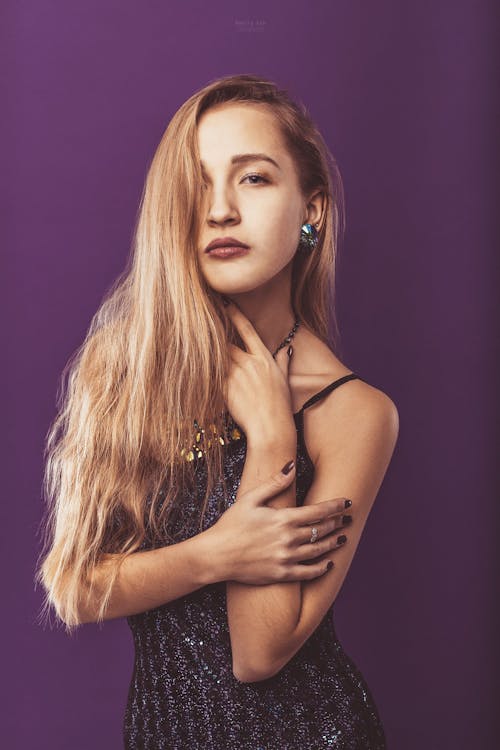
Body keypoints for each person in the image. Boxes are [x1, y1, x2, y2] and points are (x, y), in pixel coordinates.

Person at [35, 73, 399, 749]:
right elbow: (76, 587)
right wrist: (215, 554)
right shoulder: (125, 368)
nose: (220, 210)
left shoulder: (356, 413)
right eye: (197, 184)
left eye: (253, 179)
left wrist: (269, 437)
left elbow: (258, 655)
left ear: (311, 208)